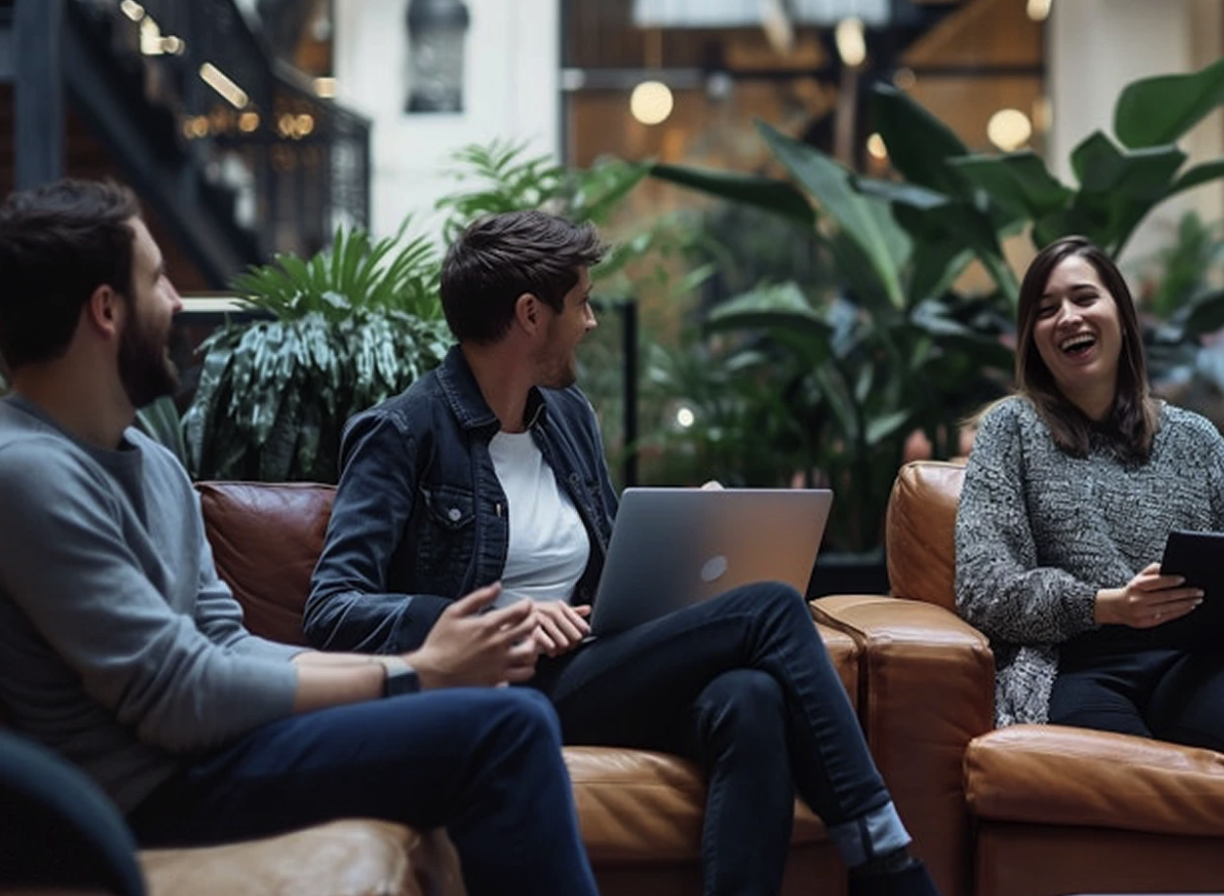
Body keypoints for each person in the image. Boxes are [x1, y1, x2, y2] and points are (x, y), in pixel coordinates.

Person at [305, 209, 941, 896]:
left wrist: (694, 533)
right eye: (580, 302)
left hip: (584, 669)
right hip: (496, 683)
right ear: (529, 314)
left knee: (750, 699)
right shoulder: (402, 432)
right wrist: (503, 618)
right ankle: (889, 865)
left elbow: (612, 583)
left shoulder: (568, 418)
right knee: (772, 609)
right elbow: (333, 610)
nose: (591, 322)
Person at [0, 178, 600, 896]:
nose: (178, 302)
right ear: (105, 311)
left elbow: (225, 642)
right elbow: (174, 692)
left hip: (215, 751)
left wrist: (421, 671)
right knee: (507, 730)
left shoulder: (153, 464)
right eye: (157, 280)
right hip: (146, 793)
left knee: (508, 719)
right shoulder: (26, 474)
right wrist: (413, 674)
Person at [955, 234, 1224, 749]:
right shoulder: (1011, 430)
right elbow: (983, 587)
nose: (1068, 317)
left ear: (1122, 316)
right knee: (1126, 777)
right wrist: (1104, 605)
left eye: (1084, 298)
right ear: (1033, 338)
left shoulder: (1198, 440)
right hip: (1076, 669)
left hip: (1194, 663)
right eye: (1046, 309)